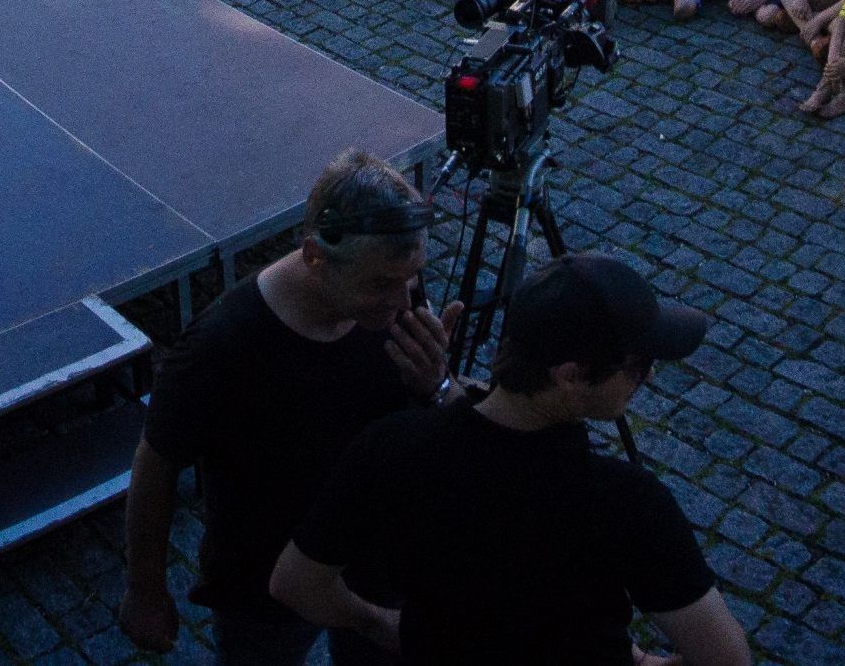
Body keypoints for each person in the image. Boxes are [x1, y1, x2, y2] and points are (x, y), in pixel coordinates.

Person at [272, 253, 748, 666]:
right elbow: (724, 659)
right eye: (638, 365)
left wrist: (381, 625)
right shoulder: (628, 504)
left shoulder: (394, 445)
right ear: (571, 376)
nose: (645, 376)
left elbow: (294, 584)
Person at [120, 151, 447, 661]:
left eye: (412, 277)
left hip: (374, 565)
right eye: (382, 284)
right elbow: (156, 464)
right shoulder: (221, 345)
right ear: (316, 256)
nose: (406, 302)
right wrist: (146, 591)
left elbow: (414, 423)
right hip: (262, 588)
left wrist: (434, 390)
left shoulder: (392, 301)